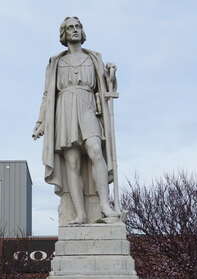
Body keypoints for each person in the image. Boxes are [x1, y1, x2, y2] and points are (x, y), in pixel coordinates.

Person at [33, 16, 122, 225]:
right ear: (64, 34)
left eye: (78, 27)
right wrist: (41, 122)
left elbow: (107, 88)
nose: (75, 30)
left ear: (82, 32)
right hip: (64, 109)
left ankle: (105, 205)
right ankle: (80, 214)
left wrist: (111, 74)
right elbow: (47, 95)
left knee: (95, 150)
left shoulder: (94, 58)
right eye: (70, 27)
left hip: (87, 105)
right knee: (71, 162)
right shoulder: (56, 62)